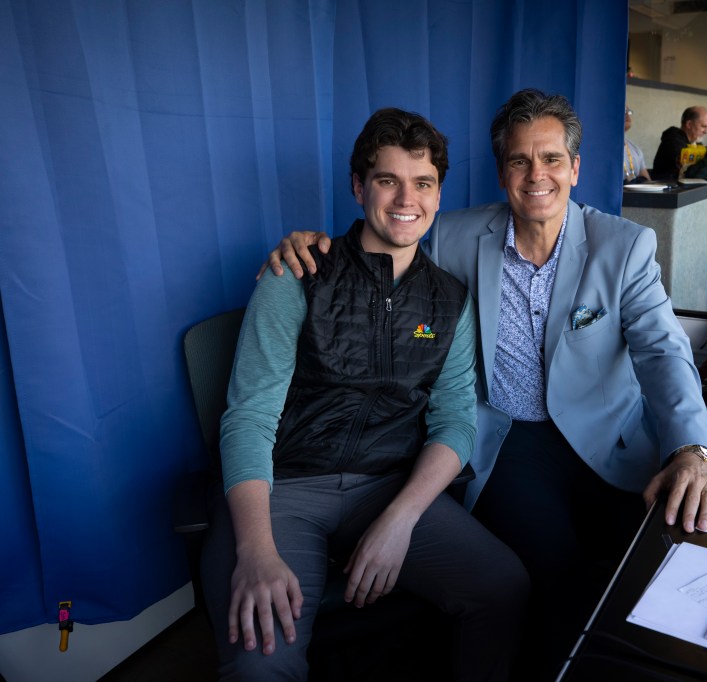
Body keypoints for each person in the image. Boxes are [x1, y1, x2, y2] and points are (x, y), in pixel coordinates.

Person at [264, 88, 707, 677]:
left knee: (658, 559)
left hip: (609, 439)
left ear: (576, 168)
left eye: (552, 159)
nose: (537, 175)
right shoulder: (454, 238)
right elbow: (387, 236)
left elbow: (664, 351)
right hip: (508, 441)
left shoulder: (625, 245)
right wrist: (312, 246)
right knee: (555, 572)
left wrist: (691, 448)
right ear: (502, 170)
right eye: (519, 160)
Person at [201, 108, 529, 681]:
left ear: (437, 193)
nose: (407, 198)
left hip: (388, 485)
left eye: (422, 183)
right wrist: (254, 549)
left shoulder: (449, 300)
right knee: (262, 665)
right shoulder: (297, 274)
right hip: (286, 489)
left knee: (504, 588)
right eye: (388, 180)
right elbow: (249, 418)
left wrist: (401, 518)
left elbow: (455, 421)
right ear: (359, 187)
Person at [651, 105, 707, 180]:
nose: (706, 131)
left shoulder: (696, 143)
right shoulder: (672, 140)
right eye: (703, 126)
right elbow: (687, 165)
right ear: (689, 124)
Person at [623, 106, 651, 183]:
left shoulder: (635, 150)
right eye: (624, 111)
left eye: (628, 112)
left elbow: (647, 182)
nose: (628, 115)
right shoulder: (600, 149)